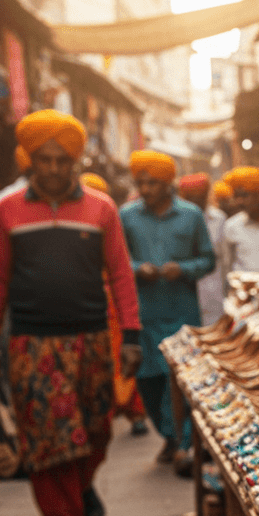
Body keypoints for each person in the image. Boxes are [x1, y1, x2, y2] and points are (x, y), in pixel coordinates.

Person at [0, 111, 142, 516]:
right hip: (32, 343)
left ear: (75, 162)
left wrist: (131, 335)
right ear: (29, 160)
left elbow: (121, 274)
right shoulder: (8, 210)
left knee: (96, 428)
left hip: (91, 338)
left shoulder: (101, 209)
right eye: (44, 160)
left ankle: (83, 486)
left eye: (61, 161)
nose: (52, 169)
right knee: (48, 438)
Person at [121, 151, 215, 477]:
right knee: (148, 381)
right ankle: (171, 436)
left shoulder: (191, 216)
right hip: (143, 314)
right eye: (141, 183)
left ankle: (182, 443)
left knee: (181, 380)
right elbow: (117, 261)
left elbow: (208, 259)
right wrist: (137, 268)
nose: (146, 189)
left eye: (153, 183)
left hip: (181, 313)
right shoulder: (126, 217)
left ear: (168, 183)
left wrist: (184, 269)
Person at [80, 172, 149, 438]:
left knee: (121, 359)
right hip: (89, 305)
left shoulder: (107, 220)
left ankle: (134, 411)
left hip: (110, 304)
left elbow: (120, 269)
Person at [177, 173, 226, 325]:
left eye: (200, 196)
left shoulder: (219, 219)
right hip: (183, 293)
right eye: (191, 197)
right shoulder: (176, 220)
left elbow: (226, 259)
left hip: (214, 293)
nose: (196, 201)